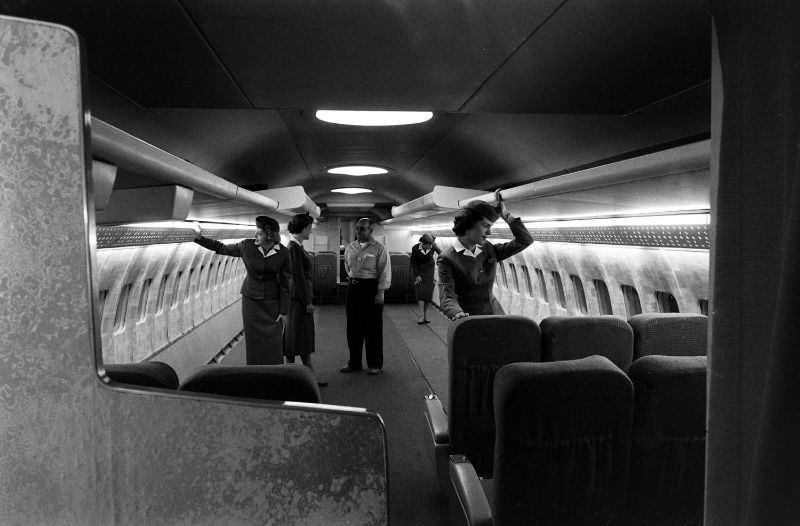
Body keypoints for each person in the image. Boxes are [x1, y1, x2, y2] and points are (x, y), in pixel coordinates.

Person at [192, 216, 290, 365]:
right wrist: (199, 238)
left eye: (259, 233)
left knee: (273, 340)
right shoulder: (246, 246)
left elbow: (285, 283)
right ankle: (254, 371)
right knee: (253, 339)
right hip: (251, 301)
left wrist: (284, 310)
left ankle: (275, 370)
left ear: (270, 235)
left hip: (272, 302)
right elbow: (221, 248)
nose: (255, 235)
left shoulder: (283, 252)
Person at [437, 191, 533, 320]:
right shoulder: (447, 259)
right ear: (469, 224)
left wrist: (507, 216)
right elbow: (447, 296)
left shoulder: (488, 248)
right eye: (485, 226)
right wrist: (456, 313)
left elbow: (525, 240)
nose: (489, 232)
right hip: (468, 318)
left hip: (495, 313)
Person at [340, 218, 391, 375]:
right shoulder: (350, 247)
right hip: (354, 288)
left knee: (372, 328)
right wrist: (352, 276)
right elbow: (346, 265)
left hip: (371, 289)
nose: (359, 231)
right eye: (357, 228)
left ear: (370, 231)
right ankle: (354, 362)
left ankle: (375, 364)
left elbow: (385, 271)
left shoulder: (379, 248)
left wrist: (381, 292)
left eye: (362, 229)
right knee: (353, 327)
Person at [284, 213, 327, 386]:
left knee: (297, 338)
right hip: (297, 300)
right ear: (302, 228)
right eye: (309, 227)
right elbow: (298, 277)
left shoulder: (297, 246)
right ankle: (299, 377)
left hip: (297, 299)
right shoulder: (293, 247)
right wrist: (307, 301)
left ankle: (299, 377)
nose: (311, 230)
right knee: (297, 338)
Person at [410, 233, 439, 324]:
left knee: (428, 294)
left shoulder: (433, 246)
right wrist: (417, 275)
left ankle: (425, 316)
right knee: (420, 293)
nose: (430, 246)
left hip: (429, 271)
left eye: (431, 244)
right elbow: (413, 263)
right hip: (420, 271)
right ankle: (421, 316)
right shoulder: (415, 248)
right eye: (428, 245)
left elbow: (442, 254)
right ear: (423, 243)